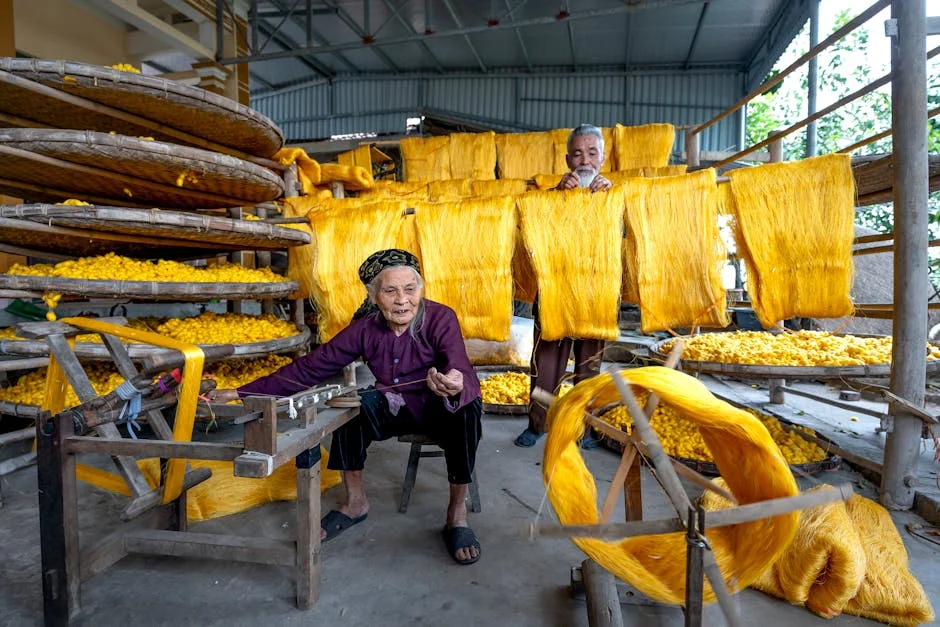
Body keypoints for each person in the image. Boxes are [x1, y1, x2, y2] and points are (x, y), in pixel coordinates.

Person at [208, 249, 484, 565]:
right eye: (390, 290)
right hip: (394, 407)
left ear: (421, 289)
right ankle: (355, 503)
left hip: (439, 408)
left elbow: (458, 363)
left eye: (410, 289)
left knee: (466, 409)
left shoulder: (440, 317)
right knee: (352, 407)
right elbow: (310, 368)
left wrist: (455, 381)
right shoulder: (366, 328)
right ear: (374, 295)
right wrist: (242, 392)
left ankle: (457, 514)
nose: (402, 300)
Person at [515, 124, 612, 448]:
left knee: (590, 368)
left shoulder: (613, 193)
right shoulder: (552, 194)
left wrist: (610, 199)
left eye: (592, 152)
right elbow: (534, 228)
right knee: (546, 366)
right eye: (578, 153)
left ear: (603, 156)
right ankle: (538, 423)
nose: (585, 159)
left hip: (595, 293)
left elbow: (627, 237)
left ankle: (588, 428)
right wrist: (557, 194)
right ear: (568, 158)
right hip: (555, 291)